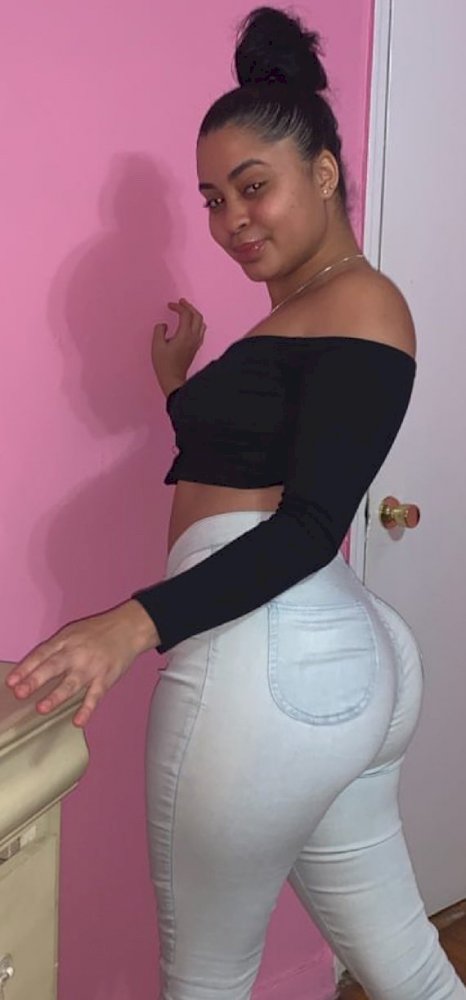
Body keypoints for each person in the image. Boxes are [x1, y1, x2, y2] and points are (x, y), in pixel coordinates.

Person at [5, 7, 465, 999]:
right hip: (315, 659)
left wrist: (132, 623)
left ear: (325, 173)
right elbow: (236, 462)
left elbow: (307, 526)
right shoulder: (306, 310)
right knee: (405, 968)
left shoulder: (363, 301)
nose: (230, 222)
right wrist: (181, 385)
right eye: (213, 200)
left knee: (206, 980)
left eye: (253, 188)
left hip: (267, 656)